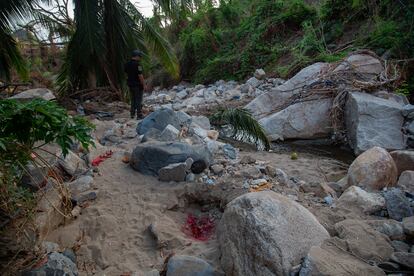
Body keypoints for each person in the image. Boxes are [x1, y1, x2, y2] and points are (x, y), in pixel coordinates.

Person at [124, 50, 146, 119]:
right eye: (139, 56)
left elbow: (126, 75)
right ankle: (139, 115)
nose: (140, 58)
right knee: (138, 100)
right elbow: (140, 76)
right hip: (137, 85)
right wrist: (144, 85)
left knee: (133, 100)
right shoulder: (137, 65)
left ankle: (132, 114)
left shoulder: (127, 64)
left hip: (130, 85)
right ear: (136, 56)